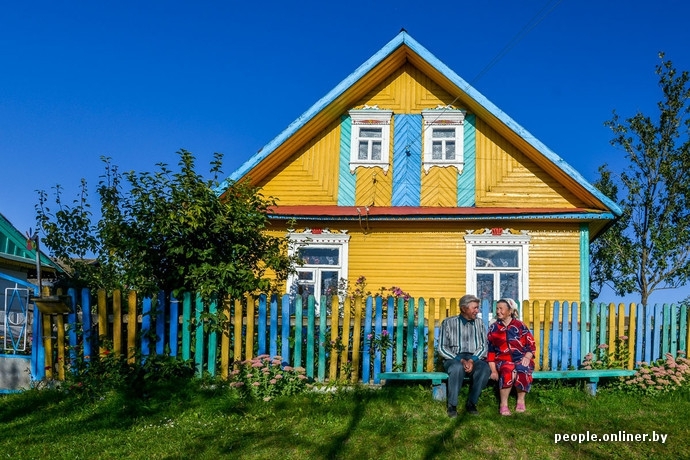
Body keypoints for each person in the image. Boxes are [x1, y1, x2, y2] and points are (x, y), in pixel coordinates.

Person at [438, 294, 490, 417]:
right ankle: (452, 405)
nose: (477, 311)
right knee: (457, 368)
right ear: (463, 308)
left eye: (478, 308)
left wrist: (472, 360)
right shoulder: (448, 323)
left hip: (474, 357)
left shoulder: (479, 323)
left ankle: (471, 403)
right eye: (474, 308)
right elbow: (442, 347)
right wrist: (460, 360)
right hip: (454, 358)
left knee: (484, 369)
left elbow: (483, 346)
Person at [487, 298, 536, 416]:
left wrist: (528, 357)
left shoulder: (520, 326)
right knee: (507, 370)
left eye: (501, 309)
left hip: (521, 358)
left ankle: (520, 400)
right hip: (502, 360)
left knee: (522, 369)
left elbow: (531, 345)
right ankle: (503, 405)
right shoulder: (494, 328)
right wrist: (493, 370)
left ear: (510, 311)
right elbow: (491, 351)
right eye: (497, 309)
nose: (498, 311)